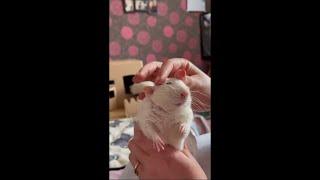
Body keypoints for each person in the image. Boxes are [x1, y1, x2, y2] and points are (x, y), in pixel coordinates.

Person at [121, 58, 211, 179]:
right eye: (169, 83)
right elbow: (146, 123)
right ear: (150, 92)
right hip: (161, 146)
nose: (186, 91)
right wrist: (154, 136)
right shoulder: (149, 105)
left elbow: (187, 117)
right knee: (131, 169)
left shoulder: (183, 108)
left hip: (176, 146)